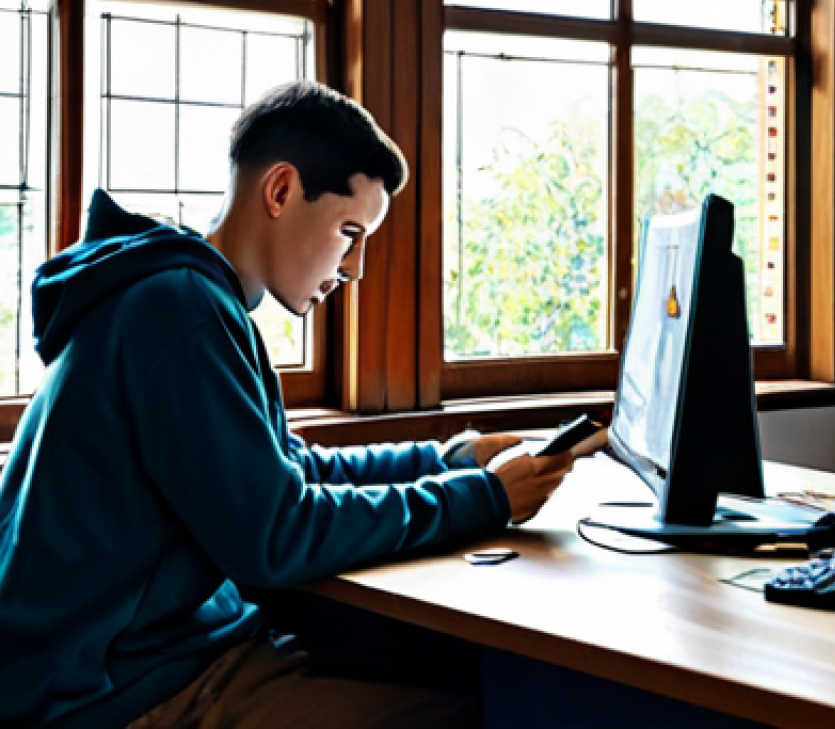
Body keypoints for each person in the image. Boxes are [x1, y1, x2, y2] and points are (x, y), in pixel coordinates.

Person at [0, 80, 573, 728]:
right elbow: (276, 533)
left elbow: (288, 469)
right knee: (476, 712)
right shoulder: (178, 310)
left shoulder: (184, 296)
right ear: (279, 191)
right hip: (108, 692)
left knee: (432, 666)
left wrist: (449, 457)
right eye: (349, 233)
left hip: (151, 655)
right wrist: (486, 498)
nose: (356, 268)